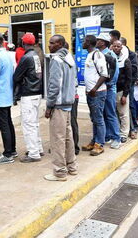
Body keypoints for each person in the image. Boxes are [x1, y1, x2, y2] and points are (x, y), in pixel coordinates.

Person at [44, 35, 77, 181]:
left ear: (60, 44)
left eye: (52, 43)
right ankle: (72, 167)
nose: (49, 45)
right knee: (68, 137)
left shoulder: (56, 60)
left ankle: (59, 172)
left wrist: (49, 105)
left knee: (57, 139)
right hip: (68, 103)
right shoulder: (70, 59)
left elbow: (54, 85)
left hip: (58, 105)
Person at [13, 33, 44, 162]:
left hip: (29, 94)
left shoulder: (26, 57)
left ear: (23, 43)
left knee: (28, 125)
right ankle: (38, 148)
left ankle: (33, 153)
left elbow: (16, 77)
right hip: (36, 93)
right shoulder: (35, 55)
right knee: (34, 123)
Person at [0, 32, 17, 164]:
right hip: (7, 94)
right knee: (9, 124)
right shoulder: (6, 55)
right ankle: (12, 150)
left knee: (4, 125)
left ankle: (7, 154)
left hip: (0, 95)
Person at [81, 35, 108, 156]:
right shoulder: (89, 55)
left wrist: (95, 88)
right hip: (90, 92)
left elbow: (104, 74)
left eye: (84, 41)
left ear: (88, 42)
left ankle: (99, 144)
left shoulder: (98, 55)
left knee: (98, 119)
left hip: (97, 92)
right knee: (94, 118)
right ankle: (94, 141)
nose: (82, 43)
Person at [97, 32, 121, 149]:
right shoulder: (98, 54)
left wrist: (107, 85)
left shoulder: (110, 55)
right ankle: (107, 136)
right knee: (103, 114)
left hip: (109, 89)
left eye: (99, 40)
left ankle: (117, 138)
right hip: (101, 89)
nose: (96, 41)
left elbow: (115, 74)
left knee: (111, 113)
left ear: (103, 42)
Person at [111, 40, 132, 143]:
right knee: (113, 114)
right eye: (114, 46)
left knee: (123, 114)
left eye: (118, 46)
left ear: (121, 48)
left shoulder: (126, 60)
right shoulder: (110, 58)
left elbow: (129, 79)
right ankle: (115, 132)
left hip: (121, 91)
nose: (116, 48)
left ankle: (124, 134)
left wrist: (125, 94)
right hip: (111, 91)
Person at [120, 37, 138, 139]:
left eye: (119, 46)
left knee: (130, 106)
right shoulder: (115, 55)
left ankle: (133, 128)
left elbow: (134, 70)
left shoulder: (131, 55)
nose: (117, 48)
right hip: (118, 86)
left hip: (129, 84)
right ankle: (123, 129)